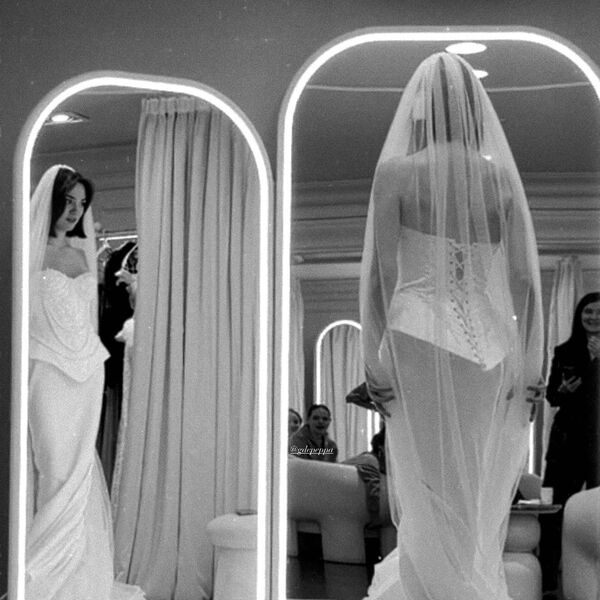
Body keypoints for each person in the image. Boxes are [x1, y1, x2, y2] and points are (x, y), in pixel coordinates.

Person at [360, 53, 543, 600]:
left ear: (421, 106)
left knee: (425, 482)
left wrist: (372, 356)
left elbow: (382, 276)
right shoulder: (499, 180)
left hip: (416, 337)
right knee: (472, 483)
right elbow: (522, 281)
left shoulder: (397, 173)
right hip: (488, 349)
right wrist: (530, 363)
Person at [27, 164, 145, 599]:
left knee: (78, 470)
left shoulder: (82, 255)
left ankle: (74, 579)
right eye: (68, 201)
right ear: (52, 200)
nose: (75, 211)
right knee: (55, 468)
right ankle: (38, 577)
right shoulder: (28, 250)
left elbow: (89, 321)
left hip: (87, 373)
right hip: (46, 371)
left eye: (81, 203)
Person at [539, 292, 600, 594]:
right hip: (567, 441)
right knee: (555, 510)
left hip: (598, 441)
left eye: (599, 313)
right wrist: (563, 389)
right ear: (579, 315)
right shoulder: (564, 350)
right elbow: (552, 396)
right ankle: (548, 583)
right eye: (588, 311)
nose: (594, 317)